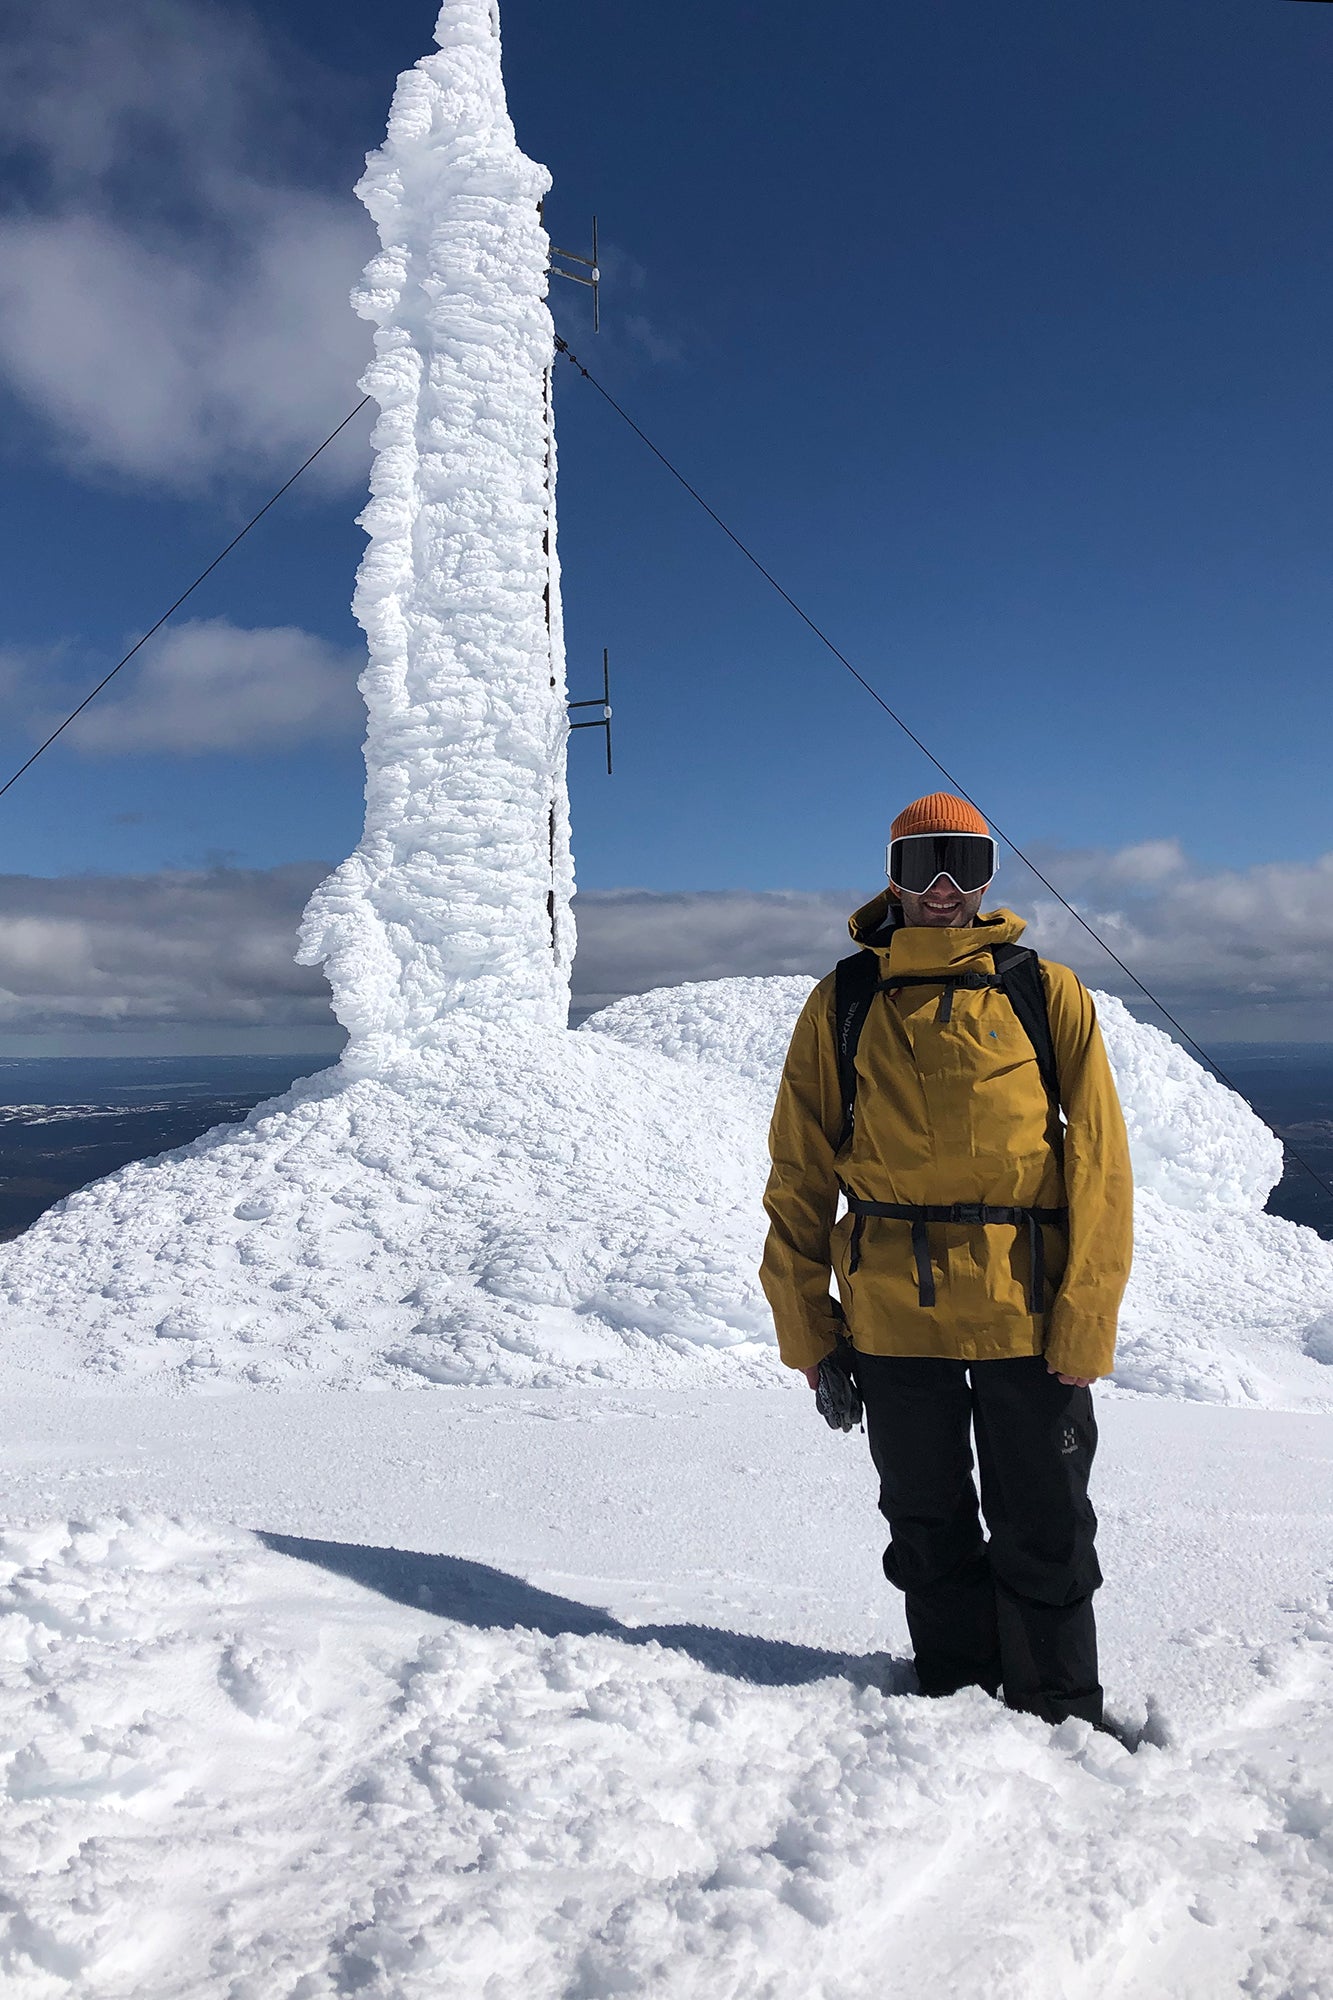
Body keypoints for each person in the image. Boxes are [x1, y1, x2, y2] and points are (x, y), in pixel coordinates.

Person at [760, 791, 1133, 1727]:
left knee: (1045, 1527)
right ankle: (957, 1711)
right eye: (923, 858)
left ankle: (1059, 1719)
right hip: (892, 1313)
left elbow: (1099, 1163)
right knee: (925, 1527)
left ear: (988, 876)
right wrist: (808, 1328)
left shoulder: (1042, 992)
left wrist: (1085, 1318)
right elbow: (799, 1169)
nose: (940, 885)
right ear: (890, 869)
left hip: (1026, 1311)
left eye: (963, 862)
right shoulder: (843, 1000)